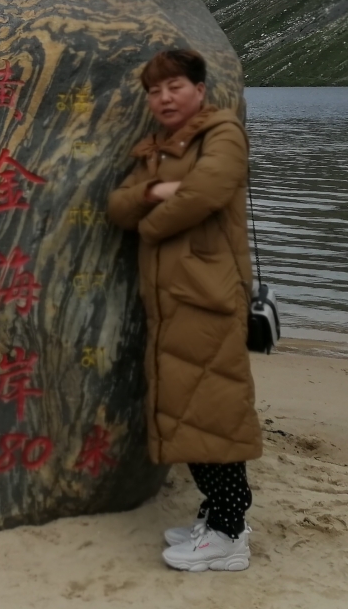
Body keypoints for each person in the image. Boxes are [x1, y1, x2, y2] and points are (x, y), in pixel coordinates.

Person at [107, 47, 261, 572]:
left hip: (210, 298)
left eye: (174, 86)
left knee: (214, 410)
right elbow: (118, 205)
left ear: (200, 89)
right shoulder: (159, 149)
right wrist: (156, 187)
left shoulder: (223, 133)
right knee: (191, 409)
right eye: (154, 90)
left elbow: (207, 191)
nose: (164, 98)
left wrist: (152, 220)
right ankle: (218, 515)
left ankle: (229, 533)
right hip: (172, 302)